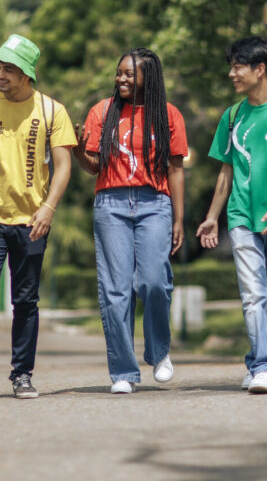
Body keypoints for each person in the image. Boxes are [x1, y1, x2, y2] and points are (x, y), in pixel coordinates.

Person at [0, 34, 76, 401]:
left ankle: (22, 374)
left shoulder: (52, 111)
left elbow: (64, 165)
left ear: (27, 73)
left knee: (26, 300)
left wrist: (48, 208)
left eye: (8, 68)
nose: (0, 74)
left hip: (32, 219)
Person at [195, 36, 267, 395]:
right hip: (241, 216)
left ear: (260, 69)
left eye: (237, 67)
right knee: (252, 295)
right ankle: (264, 368)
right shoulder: (232, 117)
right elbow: (225, 172)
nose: (232, 74)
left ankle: (257, 360)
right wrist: (213, 216)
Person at [73, 48, 187, 394]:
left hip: (155, 203)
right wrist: (78, 151)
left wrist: (179, 218)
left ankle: (159, 352)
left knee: (154, 282)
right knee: (115, 290)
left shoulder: (168, 115)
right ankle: (123, 371)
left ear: (147, 79)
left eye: (129, 74)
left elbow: (176, 170)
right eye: (119, 72)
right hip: (111, 203)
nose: (120, 79)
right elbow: (94, 166)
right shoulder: (102, 111)